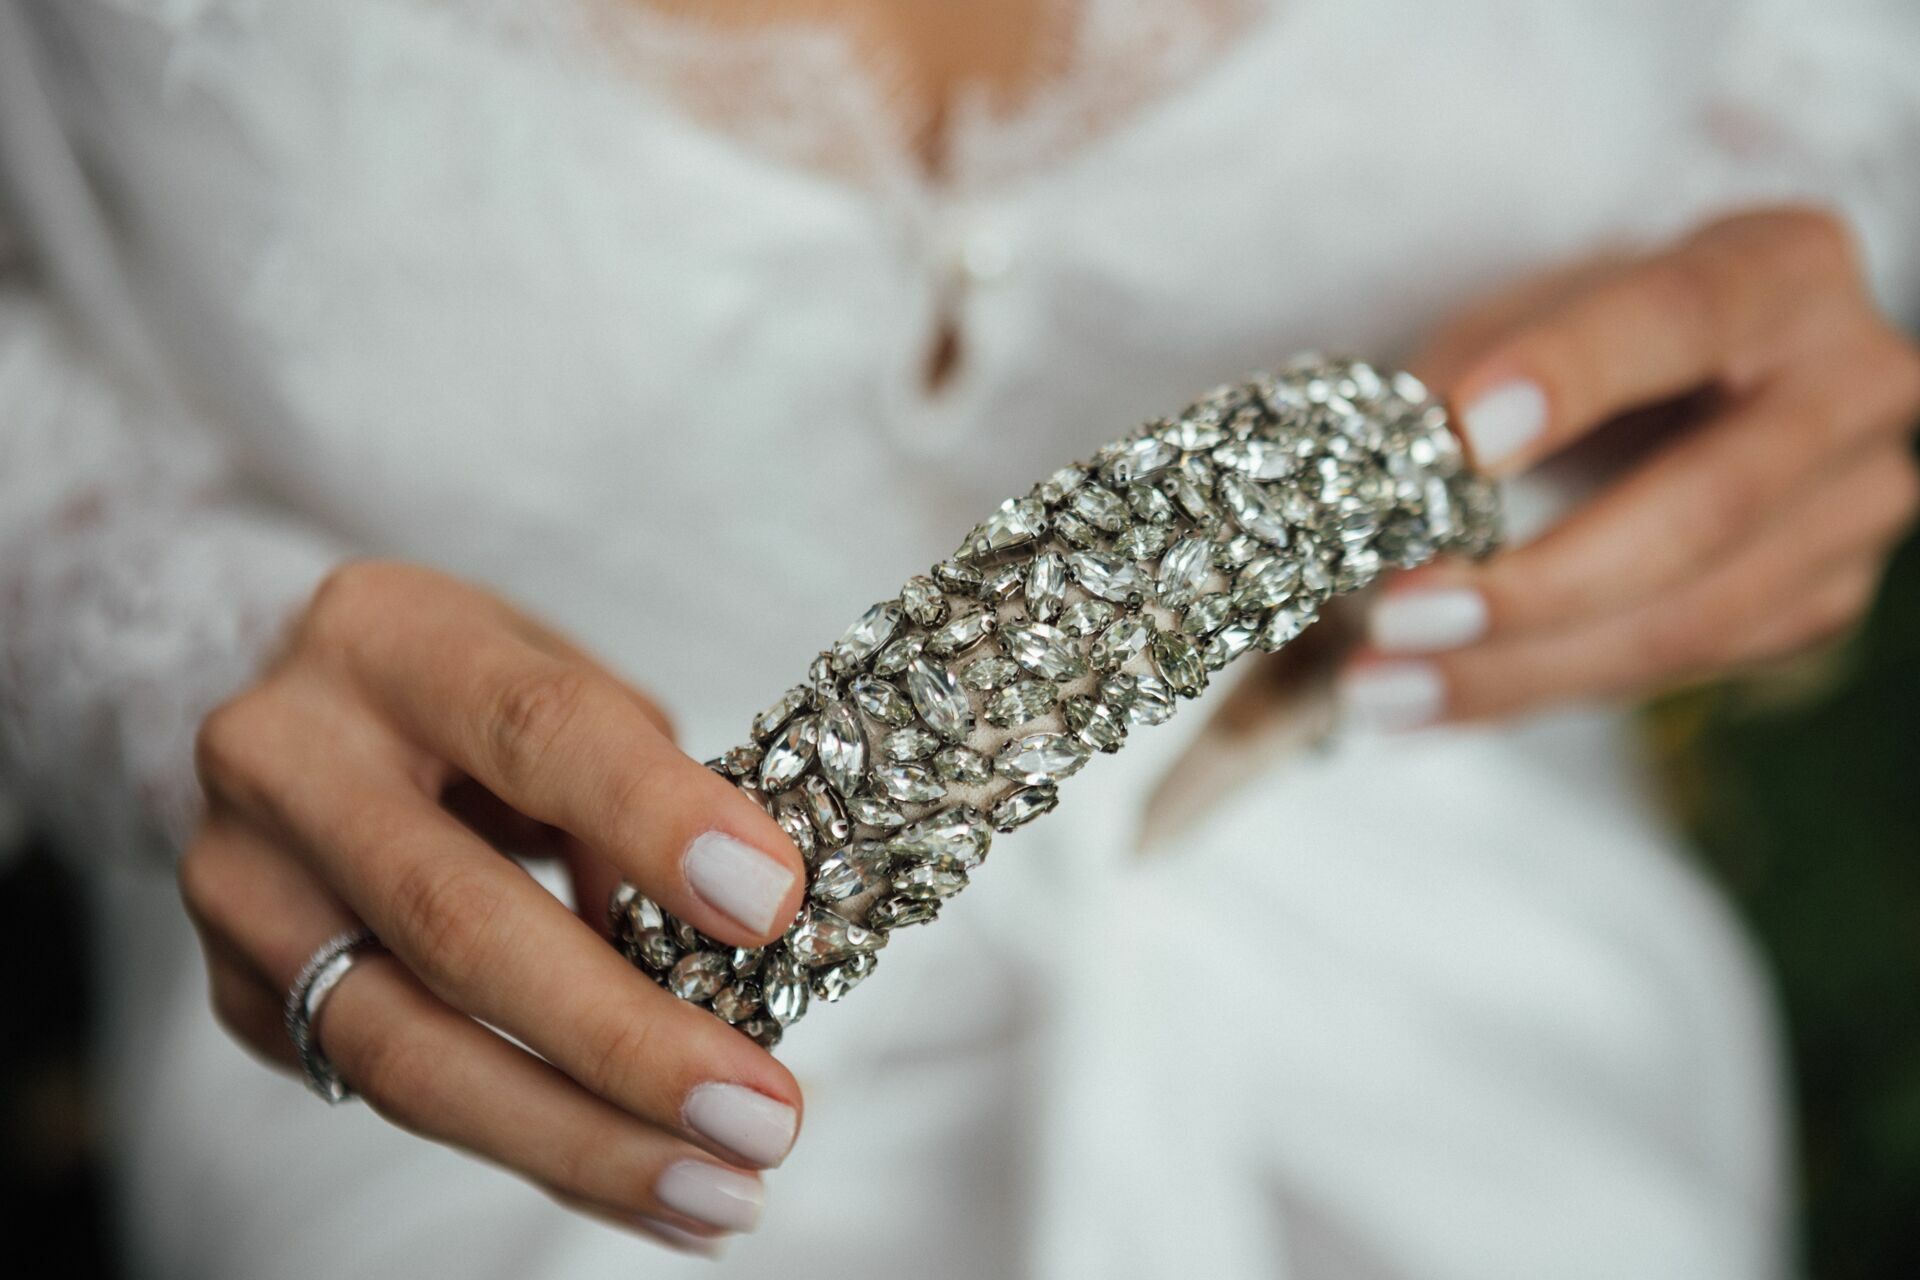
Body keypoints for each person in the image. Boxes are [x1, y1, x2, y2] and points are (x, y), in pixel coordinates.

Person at [2, 1, 1917, 1275]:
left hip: (1478, 1014)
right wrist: (180, 659)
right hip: (500, 1056)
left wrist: (1784, 365)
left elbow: (1814, 124)